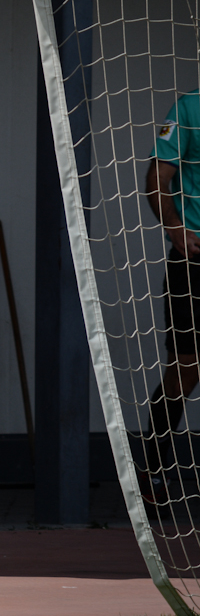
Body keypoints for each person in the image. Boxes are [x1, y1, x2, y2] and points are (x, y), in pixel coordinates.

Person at [142, 88, 200, 517]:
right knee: (186, 368)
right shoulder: (186, 109)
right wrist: (177, 229)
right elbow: (156, 180)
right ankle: (153, 463)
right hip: (194, 259)